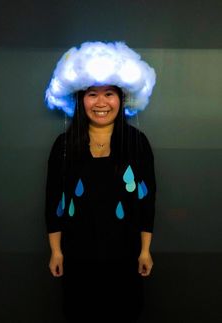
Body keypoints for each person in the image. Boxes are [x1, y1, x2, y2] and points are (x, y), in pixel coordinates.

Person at [44, 41, 156, 323]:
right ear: (80, 99)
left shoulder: (136, 143)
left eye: (109, 93)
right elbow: (53, 201)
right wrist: (56, 252)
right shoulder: (65, 145)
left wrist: (145, 250)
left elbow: (147, 201)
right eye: (92, 94)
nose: (101, 103)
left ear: (122, 97)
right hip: (79, 258)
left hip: (125, 257)